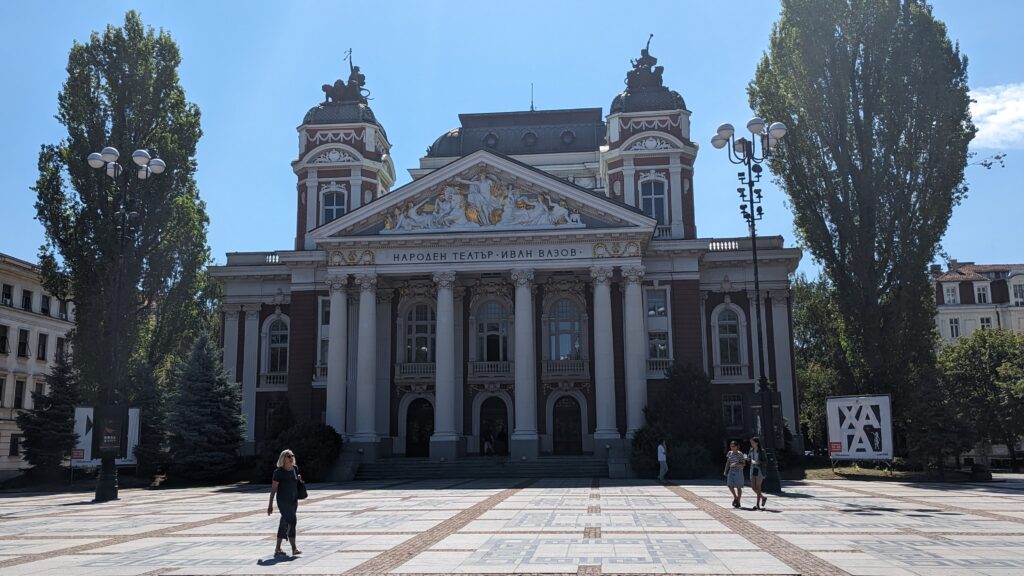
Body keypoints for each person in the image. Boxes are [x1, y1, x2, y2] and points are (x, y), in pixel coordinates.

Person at [268, 449, 303, 557]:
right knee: (292, 521)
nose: (291, 457)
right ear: (283, 458)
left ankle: (277, 548)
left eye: (292, 455)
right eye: (288, 456)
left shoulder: (295, 468)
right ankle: (294, 548)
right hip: (283, 501)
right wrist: (270, 505)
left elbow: (297, 483)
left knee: (284, 522)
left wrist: (299, 479)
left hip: (293, 500)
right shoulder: (279, 472)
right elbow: (273, 489)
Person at [722, 440, 748, 508]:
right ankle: (735, 497)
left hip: (738, 471)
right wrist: (725, 471)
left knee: (739, 487)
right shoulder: (730, 453)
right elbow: (728, 462)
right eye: (731, 446)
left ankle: (738, 501)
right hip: (731, 470)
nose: (732, 448)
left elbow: (743, 464)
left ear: (737, 447)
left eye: (733, 446)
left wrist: (737, 464)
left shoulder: (740, 454)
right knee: (730, 485)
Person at [749, 436, 766, 510]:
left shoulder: (762, 451)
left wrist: (759, 462)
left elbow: (765, 461)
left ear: (757, 443)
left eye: (752, 443)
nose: (751, 444)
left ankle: (757, 504)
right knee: (753, 487)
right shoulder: (751, 450)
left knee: (758, 487)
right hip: (753, 469)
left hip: (759, 469)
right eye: (751, 443)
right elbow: (750, 458)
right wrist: (747, 459)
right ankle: (763, 497)